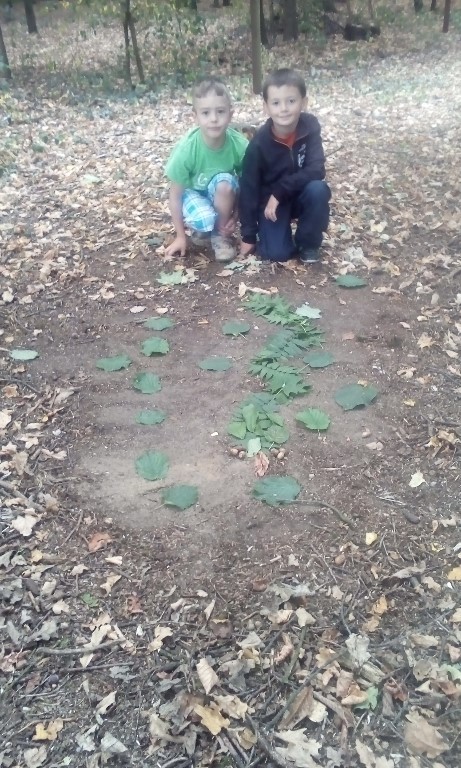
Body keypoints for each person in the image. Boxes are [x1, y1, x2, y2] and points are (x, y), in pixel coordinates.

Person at [239, 68, 331, 264]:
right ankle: (277, 237)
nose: (284, 109)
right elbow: (248, 189)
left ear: (303, 102)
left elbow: (317, 169)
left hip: (300, 194)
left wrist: (280, 191)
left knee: (318, 189)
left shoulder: (310, 127)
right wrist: (248, 235)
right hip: (271, 206)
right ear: (266, 107)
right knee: (277, 253)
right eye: (276, 103)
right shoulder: (259, 144)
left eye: (291, 101)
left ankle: (308, 243)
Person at [164, 77, 248, 262]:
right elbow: (175, 195)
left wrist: (236, 215)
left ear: (230, 114)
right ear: (195, 116)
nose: (214, 119)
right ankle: (203, 229)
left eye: (220, 111)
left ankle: (220, 235)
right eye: (206, 113)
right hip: (192, 194)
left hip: (222, 194)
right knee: (204, 220)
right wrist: (180, 236)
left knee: (226, 184)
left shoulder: (239, 145)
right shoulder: (187, 149)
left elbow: (247, 184)